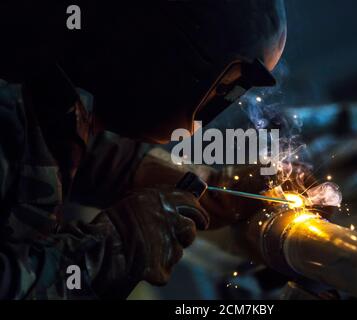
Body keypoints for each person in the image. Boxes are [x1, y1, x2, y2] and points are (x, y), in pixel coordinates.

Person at [0, 0, 287, 299]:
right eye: (223, 88)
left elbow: (60, 142)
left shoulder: (43, 76)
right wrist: (111, 250)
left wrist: (213, 188)